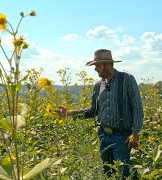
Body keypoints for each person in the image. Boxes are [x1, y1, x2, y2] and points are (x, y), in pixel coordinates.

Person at [58, 49, 144, 178]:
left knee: (122, 175)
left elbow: (137, 107)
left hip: (122, 137)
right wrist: (70, 113)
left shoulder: (127, 79)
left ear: (107, 64)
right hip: (103, 136)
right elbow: (93, 111)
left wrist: (135, 133)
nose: (95, 69)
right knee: (108, 174)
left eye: (97, 65)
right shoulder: (98, 85)